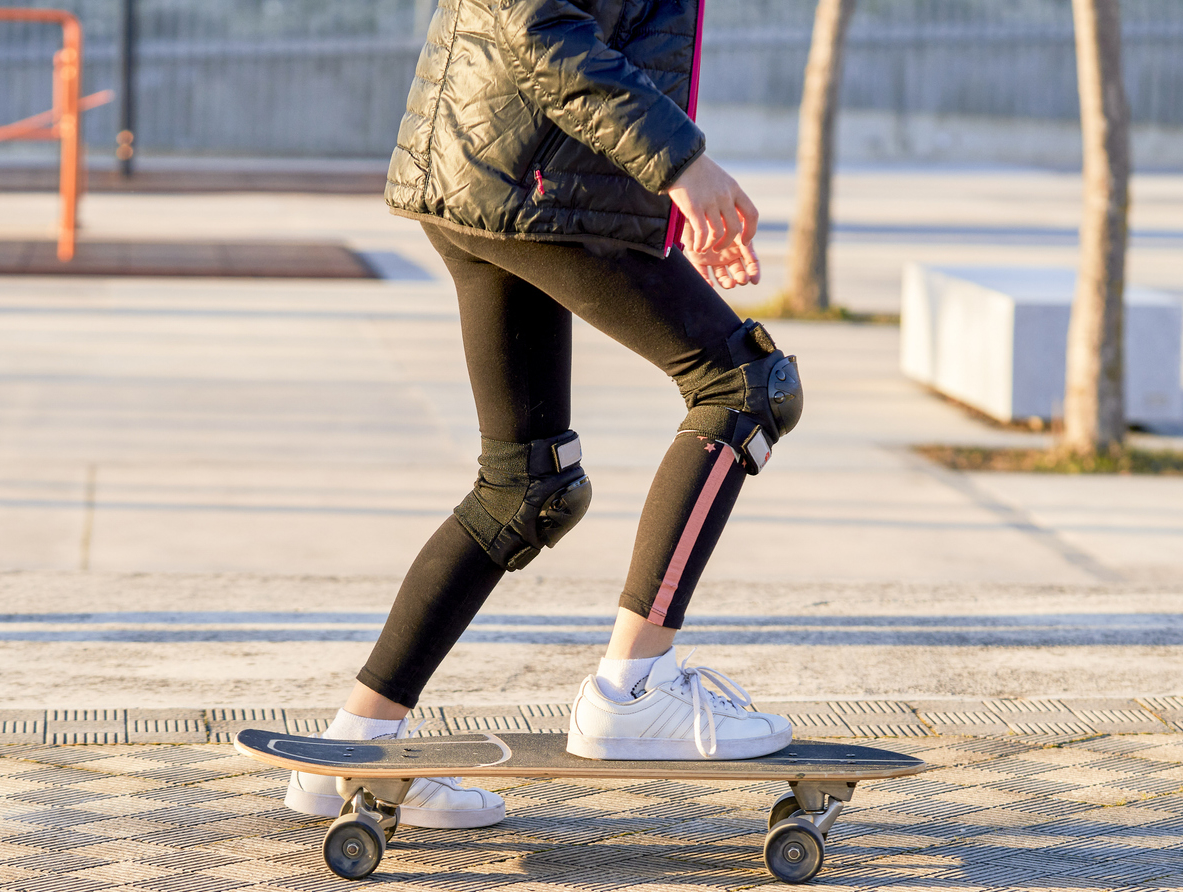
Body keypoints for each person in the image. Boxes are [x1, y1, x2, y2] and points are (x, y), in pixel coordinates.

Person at [288, 0, 806, 830]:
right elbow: (541, 26)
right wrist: (682, 166)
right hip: (535, 183)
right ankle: (633, 691)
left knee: (526, 486)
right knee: (745, 388)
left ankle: (355, 747)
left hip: (501, 170)